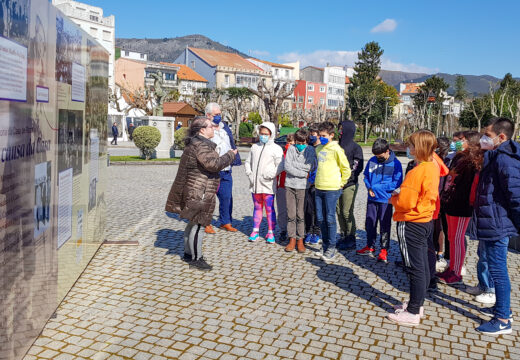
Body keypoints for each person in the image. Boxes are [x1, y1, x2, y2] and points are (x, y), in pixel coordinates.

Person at [165, 116, 237, 271]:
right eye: (211, 126)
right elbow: (214, 164)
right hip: (200, 190)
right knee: (199, 224)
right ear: (202, 130)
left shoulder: (196, 143)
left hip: (195, 189)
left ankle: (188, 253)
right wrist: (230, 155)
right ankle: (196, 259)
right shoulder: (201, 146)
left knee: (193, 223)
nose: (214, 128)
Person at [470, 117, 519, 335]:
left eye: (487, 136)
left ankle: (502, 320)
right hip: (492, 221)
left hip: (498, 224)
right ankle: (502, 309)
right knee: (495, 267)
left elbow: (515, 194)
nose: (483, 139)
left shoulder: (505, 159)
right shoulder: (496, 155)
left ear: (501, 137)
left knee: (498, 271)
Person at [387, 130, 440, 326]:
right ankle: (417, 303)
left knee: (414, 267)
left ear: (419, 148)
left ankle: (413, 311)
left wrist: (394, 197)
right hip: (425, 219)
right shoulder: (431, 166)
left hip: (411, 221)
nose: (408, 149)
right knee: (423, 265)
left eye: (411, 145)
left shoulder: (416, 171)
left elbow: (405, 203)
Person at [437, 131, 483, 285]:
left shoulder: (472, 162)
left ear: (471, 143)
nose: (458, 143)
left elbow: (467, 187)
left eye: (462, 140)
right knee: (451, 237)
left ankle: (456, 272)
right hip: (449, 202)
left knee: (457, 238)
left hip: (461, 205)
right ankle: (451, 267)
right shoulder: (458, 157)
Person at [357, 138, 403, 263]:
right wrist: (369, 187)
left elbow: (396, 183)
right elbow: (366, 176)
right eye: (376, 156)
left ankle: (384, 249)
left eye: (380, 155)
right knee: (369, 222)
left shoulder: (396, 164)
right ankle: (370, 245)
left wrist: (377, 187)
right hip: (372, 198)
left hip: (385, 199)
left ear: (387, 151)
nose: (378, 158)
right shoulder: (372, 160)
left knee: (385, 224)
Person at [314, 122, 351, 262]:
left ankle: (331, 247)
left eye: (324, 136)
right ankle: (324, 244)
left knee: (330, 219)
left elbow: (346, 169)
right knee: (321, 218)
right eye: (320, 135)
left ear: (331, 135)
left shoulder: (336, 149)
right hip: (319, 187)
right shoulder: (319, 149)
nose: (321, 138)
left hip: (332, 189)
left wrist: (341, 183)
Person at [205, 103, 242, 234]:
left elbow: (230, 142)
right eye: (216, 114)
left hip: (226, 169)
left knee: (226, 197)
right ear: (208, 115)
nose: (219, 116)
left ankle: (225, 221)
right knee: (208, 197)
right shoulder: (204, 128)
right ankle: (206, 223)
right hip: (212, 169)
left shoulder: (224, 127)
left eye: (220, 114)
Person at [244, 122, 284, 243]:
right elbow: (247, 162)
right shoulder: (254, 147)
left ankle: (271, 232)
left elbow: (281, 165)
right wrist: (249, 173)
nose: (263, 136)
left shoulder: (276, 149)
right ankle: (255, 230)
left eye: (266, 134)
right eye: (261, 133)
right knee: (257, 207)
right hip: (255, 185)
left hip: (268, 185)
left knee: (269, 208)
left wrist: (271, 175)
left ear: (271, 134)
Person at [284, 129, 316, 253]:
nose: (300, 145)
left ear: (307, 141)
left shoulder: (310, 150)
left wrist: (296, 166)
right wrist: (303, 173)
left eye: (303, 142)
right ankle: (291, 238)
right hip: (290, 185)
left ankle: (300, 239)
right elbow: (287, 167)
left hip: (303, 187)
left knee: (300, 215)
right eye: (298, 142)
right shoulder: (291, 149)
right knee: (291, 214)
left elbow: (310, 166)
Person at [336, 120, 364, 250]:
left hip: (349, 184)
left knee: (346, 211)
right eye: (339, 129)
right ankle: (343, 234)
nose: (340, 132)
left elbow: (357, 166)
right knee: (338, 211)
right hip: (335, 184)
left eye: (342, 129)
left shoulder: (355, 147)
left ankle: (351, 237)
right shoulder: (336, 145)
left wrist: (346, 179)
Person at [304, 124, 322, 245]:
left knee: (317, 209)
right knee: (308, 209)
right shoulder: (308, 147)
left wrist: (314, 180)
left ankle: (317, 232)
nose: (311, 136)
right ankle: (308, 231)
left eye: (313, 134)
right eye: (310, 134)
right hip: (307, 183)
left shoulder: (322, 148)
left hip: (318, 183)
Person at [276, 133, 295, 242]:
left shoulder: (298, 155)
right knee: (282, 210)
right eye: (287, 143)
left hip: (293, 186)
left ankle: (292, 231)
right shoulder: (282, 155)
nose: (288, 145)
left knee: (292, 210)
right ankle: (283, 230)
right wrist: (277, 186)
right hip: (282, 186)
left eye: (291, 143)